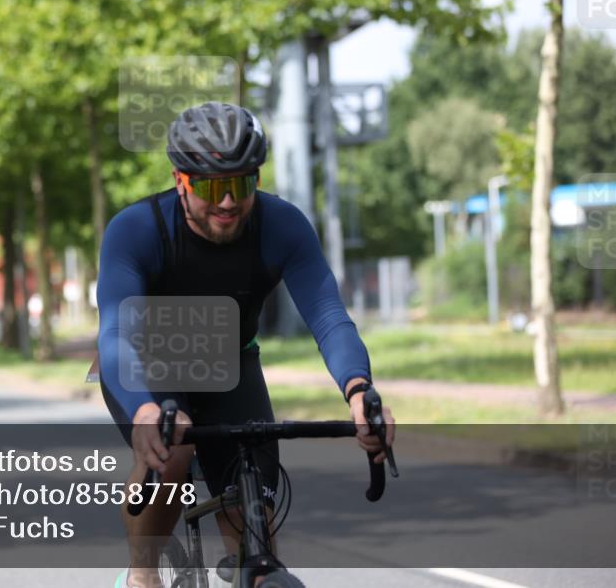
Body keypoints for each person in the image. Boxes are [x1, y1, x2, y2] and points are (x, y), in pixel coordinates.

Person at [96, 102, 395, 588]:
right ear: (180, 181)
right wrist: (145, 412)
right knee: (170, 457)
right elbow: (114, 336)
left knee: (253, 507)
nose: (230, 202)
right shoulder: (136, 230)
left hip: (228, 360)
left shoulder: (282, 225)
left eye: (243, 184)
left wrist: (360, 391)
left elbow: (328, 316)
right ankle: (141, 575)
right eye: (213, 187)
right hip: (145, 363)